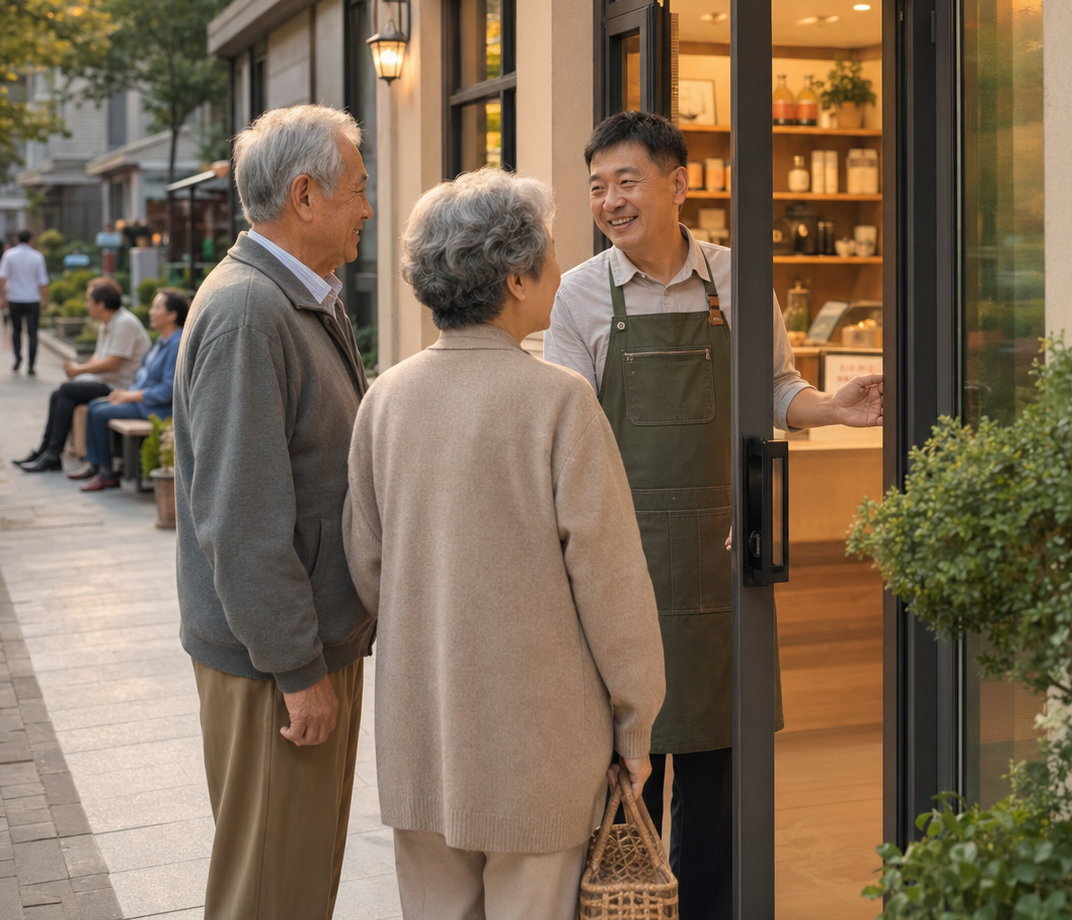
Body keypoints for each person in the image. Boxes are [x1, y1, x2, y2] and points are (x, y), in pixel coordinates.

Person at [544, 110, 884, 920]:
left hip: (722, 562)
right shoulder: (580, 295)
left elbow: (773, 392)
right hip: (618, 567)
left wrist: (832, 408)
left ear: (678, 184)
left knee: (719, 783)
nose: (611, 201)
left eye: (627, 181)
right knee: (630, 778)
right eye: (597, 187)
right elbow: (564, 436)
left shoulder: (738, 279)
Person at [344, 168, 665, 920]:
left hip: (422, 728)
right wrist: (634, 720)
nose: (560, 270)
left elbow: (365, 567)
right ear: (517, 277)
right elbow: (610, 582)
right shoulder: (558, 400)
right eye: (550, 255)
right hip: (541, 744)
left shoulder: (385, 397)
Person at [173, 104, 375, 920]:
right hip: (276, 667)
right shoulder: (250, 313)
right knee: (270, 893)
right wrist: (298, 671)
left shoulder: (297, 299)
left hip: (302, 651)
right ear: (304, 196)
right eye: (358, 189)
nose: (367, 207)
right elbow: (243, 518)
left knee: (295, 882)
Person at [16, 277, 151, 473]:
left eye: (89, 301)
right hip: (107, 381)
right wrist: (78, 371)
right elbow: (98, 358)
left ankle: (54, 454)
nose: (86, 305)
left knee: (67, 390)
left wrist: (79, 370)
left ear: (101, 304)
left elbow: (112, 363)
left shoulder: (124, 324)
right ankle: (45, 449)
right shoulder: (108, 323)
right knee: (59, 393)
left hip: (121, 386)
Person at [74, 288, 190, 491]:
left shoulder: (176, 343)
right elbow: (142, 375)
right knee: (94, 406)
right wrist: (126, 395)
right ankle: (96, 465)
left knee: (100, 413)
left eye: (157, 307)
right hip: (141, 401)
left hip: (157, 409)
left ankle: (106, 473)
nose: (151, 312)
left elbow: (169, 390)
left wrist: (131, 396)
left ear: (172, 315)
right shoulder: (161, 341)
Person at [0, 229, 49, 375]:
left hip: (14, 298)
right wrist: (46, 300)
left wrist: (2, 297)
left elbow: (2, 278)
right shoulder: (37, 256)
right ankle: (31, 365)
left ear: (16, 240)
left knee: (16, 330)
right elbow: (42, 282)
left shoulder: (9, 255)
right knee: (32, 332)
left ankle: (18, 357)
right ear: (31, 240)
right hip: (32, 299)